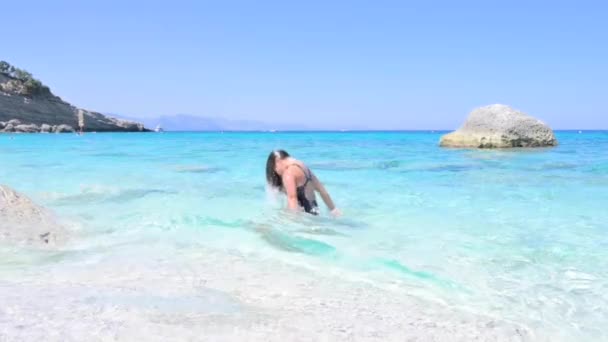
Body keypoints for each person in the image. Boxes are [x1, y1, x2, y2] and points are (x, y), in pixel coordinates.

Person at [266, 150, 341, 216]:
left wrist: (291, 223)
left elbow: (292, 199)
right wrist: (333, 209)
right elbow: (322, 190)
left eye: (274, 168)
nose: (277, 172)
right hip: (314, 213)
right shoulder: (304, 168)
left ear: (277, 161)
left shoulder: (288, 173)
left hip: (302, 218)